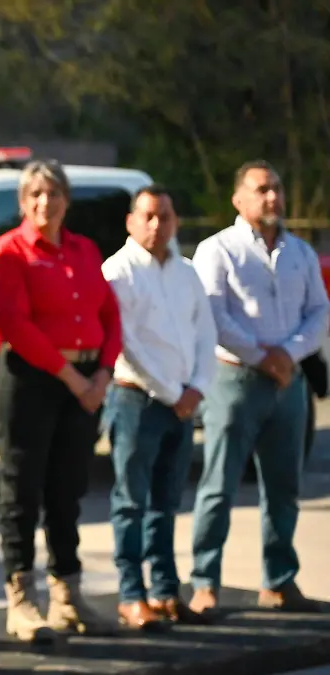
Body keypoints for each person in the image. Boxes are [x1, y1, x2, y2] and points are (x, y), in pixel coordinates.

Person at [0, 159, 121, 643]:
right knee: (20, 492)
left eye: (54, 193)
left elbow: (109, 313)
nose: (46, 203)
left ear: (66, 199)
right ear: (23, 202)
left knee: (67, 491)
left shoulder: (84, 250)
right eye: (35, 195)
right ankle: (22, 600)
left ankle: (68, 595)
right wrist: (72, 379)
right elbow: (16, 326)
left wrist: (101, 373)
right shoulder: (11, 252)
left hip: (84, 380)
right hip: (31, 382)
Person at [188, 160, 328, 616]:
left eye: (277, 189)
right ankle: (206, 582)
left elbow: (320, 312)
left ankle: (280, 580)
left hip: (288, 382)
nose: (273, 198)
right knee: (219, 486)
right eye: (262, 189)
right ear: (239, 199)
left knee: (285, 486)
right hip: (235, 381)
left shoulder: (300, 253)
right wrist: (261, 356)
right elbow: (215, 316)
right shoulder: (218, 249)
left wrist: (288, 354)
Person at [101, 185, 217, 629]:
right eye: (148, 216)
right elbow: (125, 342)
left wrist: (198, 387)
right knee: (130, 501)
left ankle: (166, 591)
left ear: (175, 223)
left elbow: (206, 333)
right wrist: (172, 392)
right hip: (137, 399)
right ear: (131, 222)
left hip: (183, 403)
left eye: (164, 217)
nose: (156, 225)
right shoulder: (118, 271)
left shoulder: (186, 273)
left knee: (166, 503)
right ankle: (132, 595)